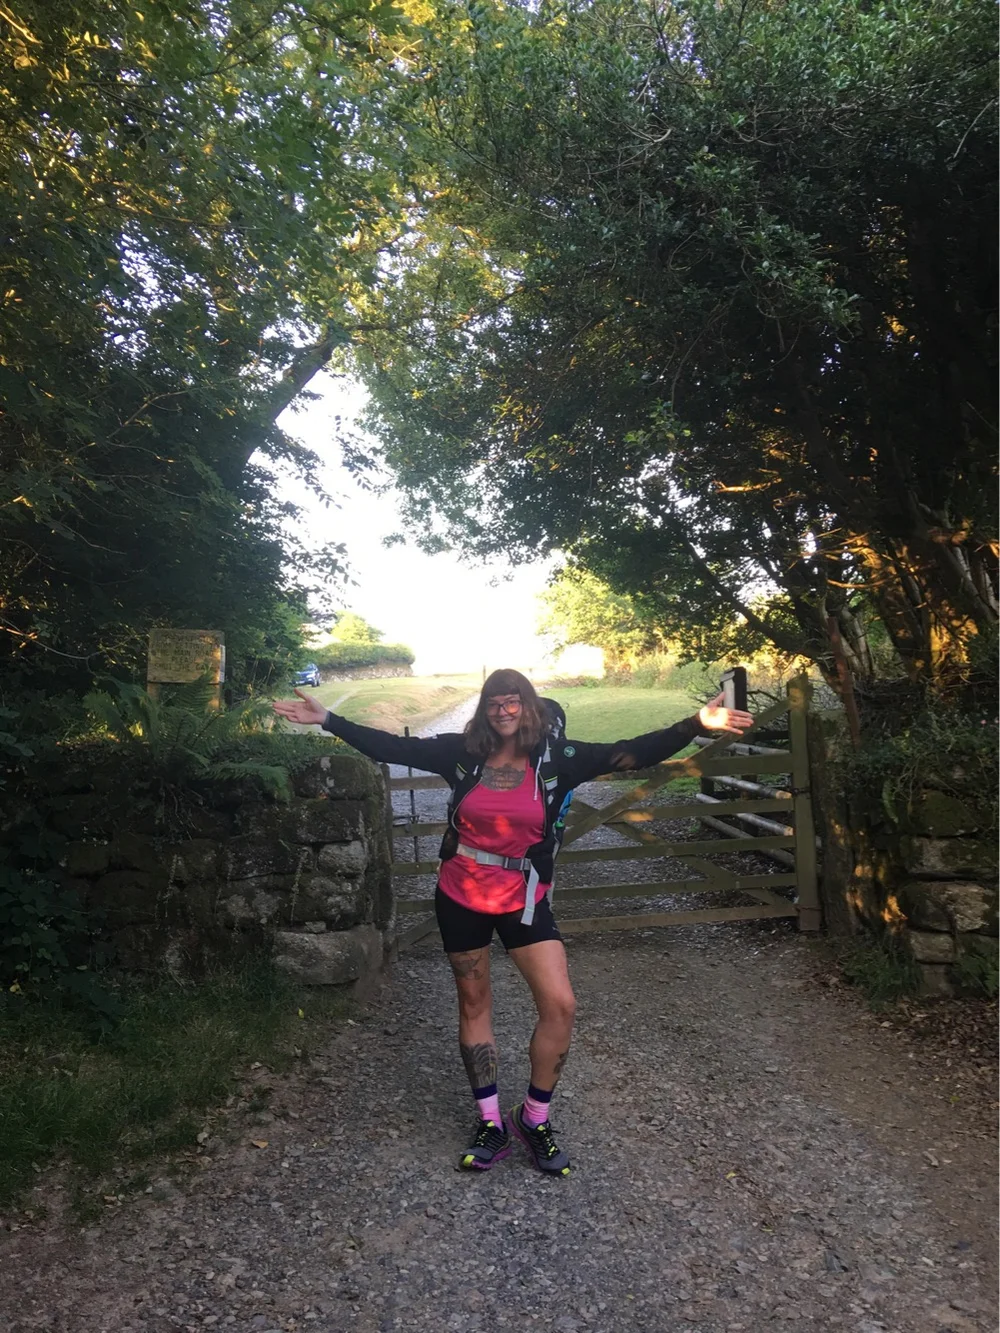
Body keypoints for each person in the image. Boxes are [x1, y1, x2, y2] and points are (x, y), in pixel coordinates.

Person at [273, 668, 753, 1177]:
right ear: (485, 709)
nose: (503, 711)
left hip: (524, 898)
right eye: (494, 703)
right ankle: (489, 1123)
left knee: (560, 1004)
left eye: (513, 702)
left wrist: (696, 723)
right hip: (460, 895)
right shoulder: (461, 753)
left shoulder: (560, 758)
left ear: (529, 706)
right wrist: (330, 720)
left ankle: (533, 1118)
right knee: (474, 1003)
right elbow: (394, 747)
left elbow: (631, 752)